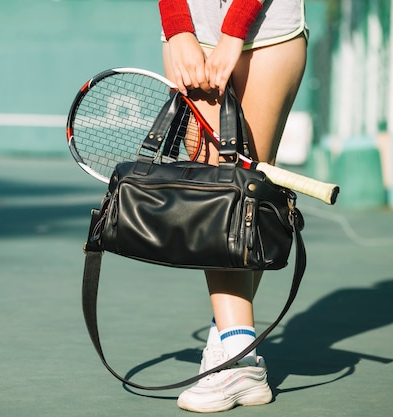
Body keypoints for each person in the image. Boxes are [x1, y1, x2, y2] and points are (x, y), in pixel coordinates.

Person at [159, 0, 308, 412]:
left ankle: (236, 357)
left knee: (246, 192)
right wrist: (178, 29)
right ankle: (234, 350)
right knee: (215, 192)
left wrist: (232, 34)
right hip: (193, 28)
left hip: (268, 29)